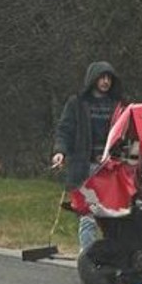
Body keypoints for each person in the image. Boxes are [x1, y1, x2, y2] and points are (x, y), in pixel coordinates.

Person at [51, 61, 128, 253]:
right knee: (88, 215)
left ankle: (110, 256)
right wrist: (60, 151)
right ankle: (88, 258)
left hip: (110, 169)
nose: (105, 82)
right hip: (85, 168)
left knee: (113, 217)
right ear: (93, 79)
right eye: (102, 77)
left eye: (108, 78)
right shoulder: (77, 103)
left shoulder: (119, 105)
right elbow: (65, 130)